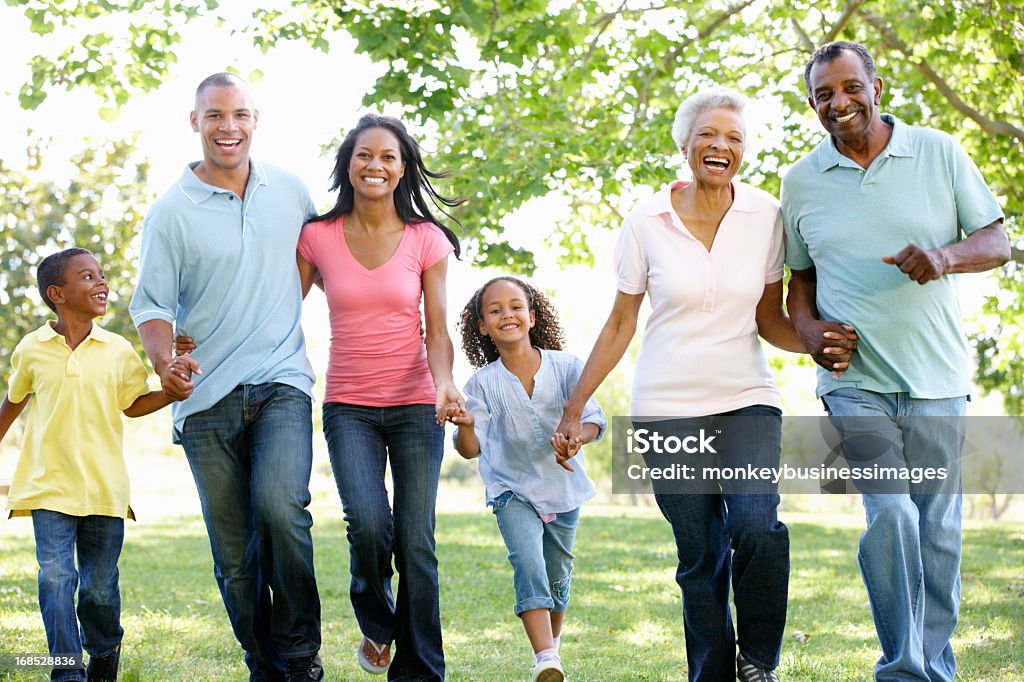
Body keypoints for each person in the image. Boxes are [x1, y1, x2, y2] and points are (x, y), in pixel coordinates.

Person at [553, 86, 858, 682]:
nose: (721, 146)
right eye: (709, 136)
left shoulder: (765, 216)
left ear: (743, 152)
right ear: (686, 145)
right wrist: (575, 405)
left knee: (755, 526)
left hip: (746, 398)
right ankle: (712, 674)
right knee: (699, 558)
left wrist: (815, 341)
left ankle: (759, 660)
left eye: (734, 139)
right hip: (666, 409)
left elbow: (770, 319)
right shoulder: (646, 220)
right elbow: (621, 323)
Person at [782, 41, 1009, 682]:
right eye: (825, 94)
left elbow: (997, 240)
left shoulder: (937, 151)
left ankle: (935, 667)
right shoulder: (801, 180)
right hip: (853, 384)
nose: (840, 102)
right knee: (892, 513)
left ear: (877, 87)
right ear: (812, 104)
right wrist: (809, 333)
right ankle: (905, 669)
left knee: (939, 532)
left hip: (937, 377)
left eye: (851, 87)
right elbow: (798, 284)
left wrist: (942, 258)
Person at [129, 73, 325, 682]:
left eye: (239, 114)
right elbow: (152, 307)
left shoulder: (290, 190)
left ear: (256, 118)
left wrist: (277, 310)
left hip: (281, 379)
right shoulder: (170, 213)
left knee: (282, 507)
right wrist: (166, 364)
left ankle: (298, 661)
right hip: (205, 397)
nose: (228, 126)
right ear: (195, 123)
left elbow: (318, 258)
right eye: (214, 115)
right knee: (236, 558)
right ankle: (262, 663)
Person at [296, 113, 464, 681]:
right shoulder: (316, 236)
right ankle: (378, 622)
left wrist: (444, 384)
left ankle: (420, 672)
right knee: (368, 523)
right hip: (348, 406)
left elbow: (437, 331)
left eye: (388, 156)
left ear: (402, 168)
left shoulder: (425, 239)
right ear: (349, 163)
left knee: (415, 541)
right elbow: (275, 311)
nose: (375, 164)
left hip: (418, 403)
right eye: (365, 154)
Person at [0, 248, 192, 682]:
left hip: (105, 489)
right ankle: (67, 672)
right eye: (87, 277)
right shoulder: (32, 348)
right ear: (58, 294)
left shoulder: (118, 349)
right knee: (54, 579)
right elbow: (12, 404)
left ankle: (103, 655)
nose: (102, 283)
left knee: (99, 591)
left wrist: (171, 393)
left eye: (101, 276)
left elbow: (134, 404)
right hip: (46, 485)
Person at [446, 276, 607, 682]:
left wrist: (575, 440)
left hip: (562, 489)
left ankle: (550, 657)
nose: (507, 315)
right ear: (482, 326)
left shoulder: (567, 367)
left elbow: (593, 421)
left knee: (557, 574)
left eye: (516, 306)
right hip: (510, 489)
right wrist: (465, 424)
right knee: (528, 561)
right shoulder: (481, 384)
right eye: (495, 310)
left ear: (532, 316)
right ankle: (544, 658)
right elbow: (470, 448)